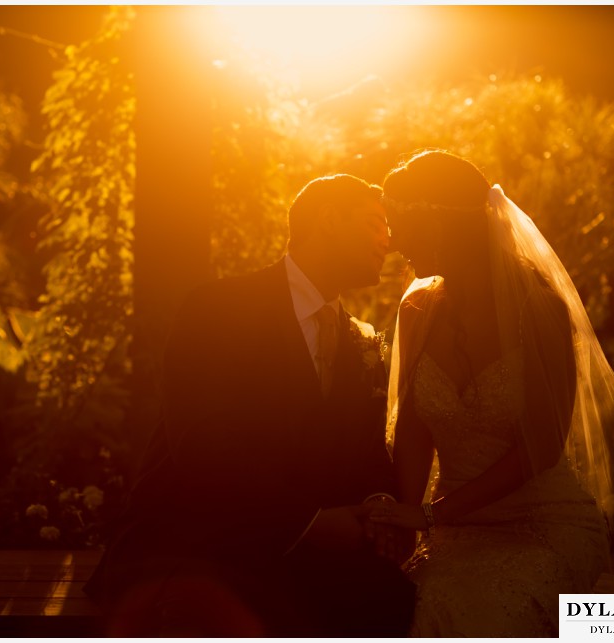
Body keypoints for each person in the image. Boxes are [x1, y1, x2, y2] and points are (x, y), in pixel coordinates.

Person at [370, 150, 614, 636]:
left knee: (465, 608)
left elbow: (542, 445)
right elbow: (416, 430)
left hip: (542, 523)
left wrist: (427, 515)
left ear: (443, 224)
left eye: (405, 224)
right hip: (448, 529)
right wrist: (403, 521)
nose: (395, 242)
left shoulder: (537, 308)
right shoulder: (418, 308)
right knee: (391, 598)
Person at [85, 174, 416, 636]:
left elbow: (366, 447)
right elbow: (202, 448)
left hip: (315, 559)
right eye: (374, 223)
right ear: (327, 219)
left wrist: (379, 504)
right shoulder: (219, 309)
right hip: (200, 545)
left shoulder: (359, 337)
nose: (388, 241)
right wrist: (311, 524)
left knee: (404, 604)